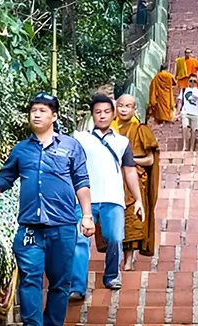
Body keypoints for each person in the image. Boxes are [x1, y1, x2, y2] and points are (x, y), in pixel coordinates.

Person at [0, 93, 95, 326]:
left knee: (60, 284)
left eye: (43, 110)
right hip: (30, 229)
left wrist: (87, 215)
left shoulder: (71, 147)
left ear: (54, 116)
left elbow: (81, 182)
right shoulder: (21, 150)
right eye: (33, 111)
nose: (37, 114)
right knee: (30, 280)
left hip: (62, 227)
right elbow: (1, 182)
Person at [67, 94, 143, 299]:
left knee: (115, 238)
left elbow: (129, 170)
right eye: (98, 112)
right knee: (80, 241)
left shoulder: (122, 142)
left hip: (113, 197)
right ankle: (77, 287)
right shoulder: (80, 139)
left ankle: (111, 275)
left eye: (106, 112)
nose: (102, 116)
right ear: (92, 115)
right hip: (83, 199)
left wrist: (138, 199)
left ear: (114, 114)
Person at [112, 94, 160, 272]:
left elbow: (150, 160)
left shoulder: (140, 130)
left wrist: (130, 161)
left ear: (134, 109)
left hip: (135, 181)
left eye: (128, 106)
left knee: (132, 219)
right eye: (121, 106)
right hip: (113, 179)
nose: (123, 109)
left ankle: (129, 260)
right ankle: (115, 257)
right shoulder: (109, 128)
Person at [178, 74, 198, 152]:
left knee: (194, 130)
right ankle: (184, 146)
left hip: (195, 113)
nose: (192, 83)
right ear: (188, 81)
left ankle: (191, 148)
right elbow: (180, 101)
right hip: (185, 111)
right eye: (191, 81)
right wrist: (178, 112)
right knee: (185, 127)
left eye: (194, 81)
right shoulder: (184, 90)